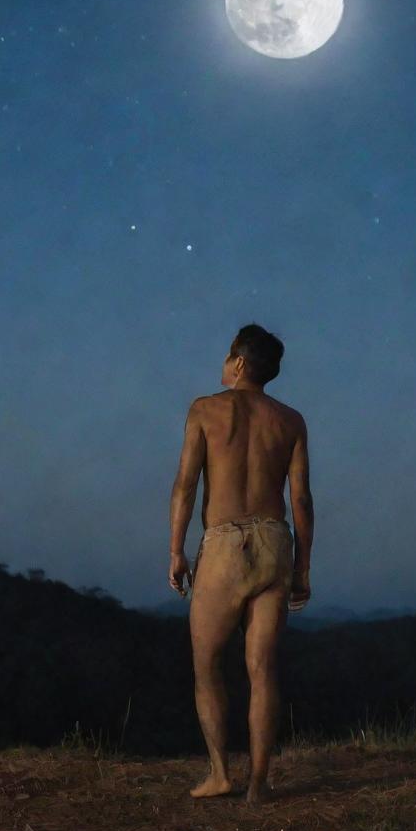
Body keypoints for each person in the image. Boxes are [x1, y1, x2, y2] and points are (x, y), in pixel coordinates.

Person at [168, 323, 314, 805]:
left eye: (229, 356)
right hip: (275, 541)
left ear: (241, 365)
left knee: (206, 665)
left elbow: (186, 486)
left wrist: (176, 549)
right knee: (262, 668)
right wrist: (303, 570)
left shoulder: (205, 410)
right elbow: (302, 501)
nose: (224, 363)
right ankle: (259, 783)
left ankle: (219, 773)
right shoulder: (290, 421)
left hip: (226, 544)